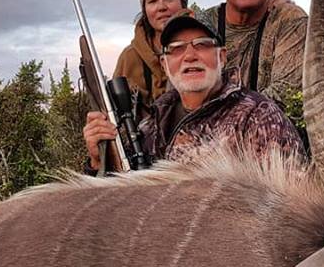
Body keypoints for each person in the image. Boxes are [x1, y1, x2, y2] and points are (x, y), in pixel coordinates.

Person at [83, 9, 303, 172]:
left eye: (202, 44)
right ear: (164, 64)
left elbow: (291, 207)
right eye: (176, 49)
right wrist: (98, 159)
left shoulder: (258, 117)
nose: (190, 56)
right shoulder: (150, 126)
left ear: (222, 56)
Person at [112, 0, 188, 118]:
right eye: (152, 1)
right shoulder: (130, 57)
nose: (161, 7)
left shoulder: (204, 47)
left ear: (182, 3)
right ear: (145, 9)